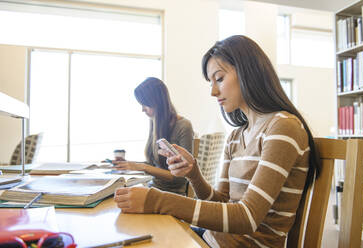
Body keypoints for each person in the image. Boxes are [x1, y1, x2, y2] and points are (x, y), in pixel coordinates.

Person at [114, 35, 320, 248]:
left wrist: (158, 201)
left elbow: (247, 216)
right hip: (212, 239)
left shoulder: (283, 127)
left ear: (248, 72)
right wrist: (193, 173)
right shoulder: (236, 136)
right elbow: (221, 202)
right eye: (211, 82)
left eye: (219, 79)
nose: (213, 92)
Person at [113, 77, 194, 195]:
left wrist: (142, 167)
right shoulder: (155, 122)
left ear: (156, 102)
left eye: (145, 104)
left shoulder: (183, 126)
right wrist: (128, 164)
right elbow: (153, 165)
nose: (142, 109)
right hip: (153, 188)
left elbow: (181, 178)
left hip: (173, 194)